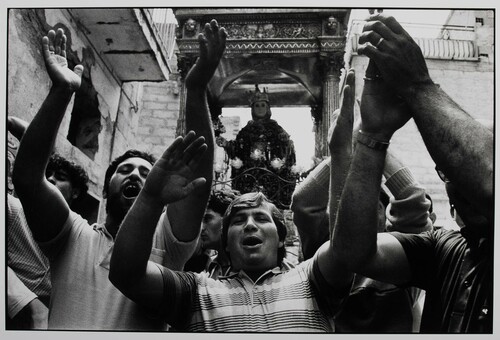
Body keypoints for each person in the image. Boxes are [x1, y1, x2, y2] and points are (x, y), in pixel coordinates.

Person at [109, 49, 355, 332]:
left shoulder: (313, 280)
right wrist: (150, 197)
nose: (250, 224)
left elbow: (345, 250)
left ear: (281, 238)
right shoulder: (196, 291)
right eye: (237, 220)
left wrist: (342, 154)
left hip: (275, 177)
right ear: (225, 242)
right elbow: (127, 275)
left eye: (262, 218)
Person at [11, 24, 212, 330]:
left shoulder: (168, 243)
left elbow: (198, 185)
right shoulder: (71, 235)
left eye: (146, 173)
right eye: (125, 170)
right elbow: (27, 180)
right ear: (105, 191)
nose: (134, 175)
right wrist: (61, 91)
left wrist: (196, 89)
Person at [331, 13, 493, 333]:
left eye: (464, 163)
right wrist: (372, 137)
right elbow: (352, 253)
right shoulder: (443, 249)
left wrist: (417, 85)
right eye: (447, 171)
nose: (457, 180)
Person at [216, 85, 297, 208]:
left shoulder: (277, 129)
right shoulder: (246, 131)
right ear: (252, 109)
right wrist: (227, 144)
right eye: (257, 106)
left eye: (263, 105)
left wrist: (278, 161)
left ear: (268, 108)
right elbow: (238, 150)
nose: (260, 109)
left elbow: (286, 149)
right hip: (249, 176)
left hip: (272, 176)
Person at [184, 188, 239, 278]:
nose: (201, 228)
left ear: (227, 219)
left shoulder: (247, 265)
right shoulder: (209, 267)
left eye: (207, 219)